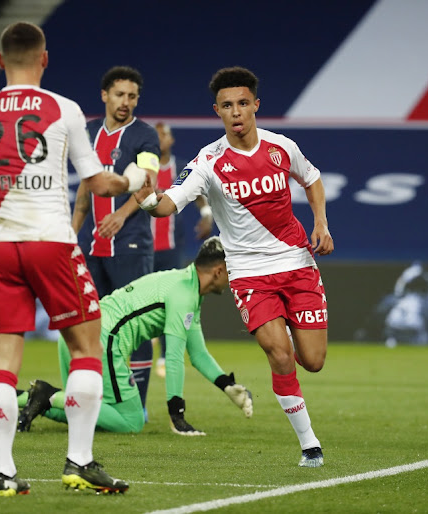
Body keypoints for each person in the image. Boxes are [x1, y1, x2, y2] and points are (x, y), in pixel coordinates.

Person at [0, 22, 147, 496]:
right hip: (51, 242)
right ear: (44, 59)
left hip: (0, 246)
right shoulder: (63, 109)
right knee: (87, 348)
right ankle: (79, 463)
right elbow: (100, 183)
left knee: (2, 365)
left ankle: (4, 475)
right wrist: (131, 178)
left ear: (0, 61)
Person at [133, 66, 334, 468]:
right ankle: (310, 444)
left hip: (296, 262)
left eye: (243, 103)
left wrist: (321, 223)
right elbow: (170, 203)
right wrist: (147, 200)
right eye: (227, 106)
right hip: (248, 274)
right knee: (279, 355)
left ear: (256, 105)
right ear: (217, 111)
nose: (236, 111)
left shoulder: (282, 147)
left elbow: (311, 179)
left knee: (312, 360)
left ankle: (291, 342)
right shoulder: (208, 161)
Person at [16, 237, 253, 435]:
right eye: (232, 271)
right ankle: (46, 394)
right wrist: (177, 414)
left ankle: (11, 400)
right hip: (102, 338)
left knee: (77, 409)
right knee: (131, 420)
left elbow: (198, 353)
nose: (233, 278)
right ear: (218, 270)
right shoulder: (184, 294)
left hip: (77, 329)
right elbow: (172, 357)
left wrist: (227, 385)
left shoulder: (185, 286)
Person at [73, 66, 160, 419]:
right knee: (92, 327)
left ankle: (137, 407)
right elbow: (83, 187)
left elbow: (149, 181)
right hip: (94, 249)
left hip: (131, 245)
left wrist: (121, 215)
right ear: (105, 95)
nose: (126, 102)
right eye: (120, 94)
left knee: (135, 326)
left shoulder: (145, 135)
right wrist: (69, 233)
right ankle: (100, 399)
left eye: (132, 96)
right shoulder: (88, 132)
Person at [151, 121, 214, 378]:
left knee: (170, 302)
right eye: (155, 136)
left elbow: (197, 192)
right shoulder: (143, 170)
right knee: (146, 301)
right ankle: (141, 353)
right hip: (142, 246)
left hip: (170, 247)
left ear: (171, 140)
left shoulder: (180, 168)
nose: (159, 140)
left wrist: (206, 212)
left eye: (163, 135)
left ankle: (166, 355)